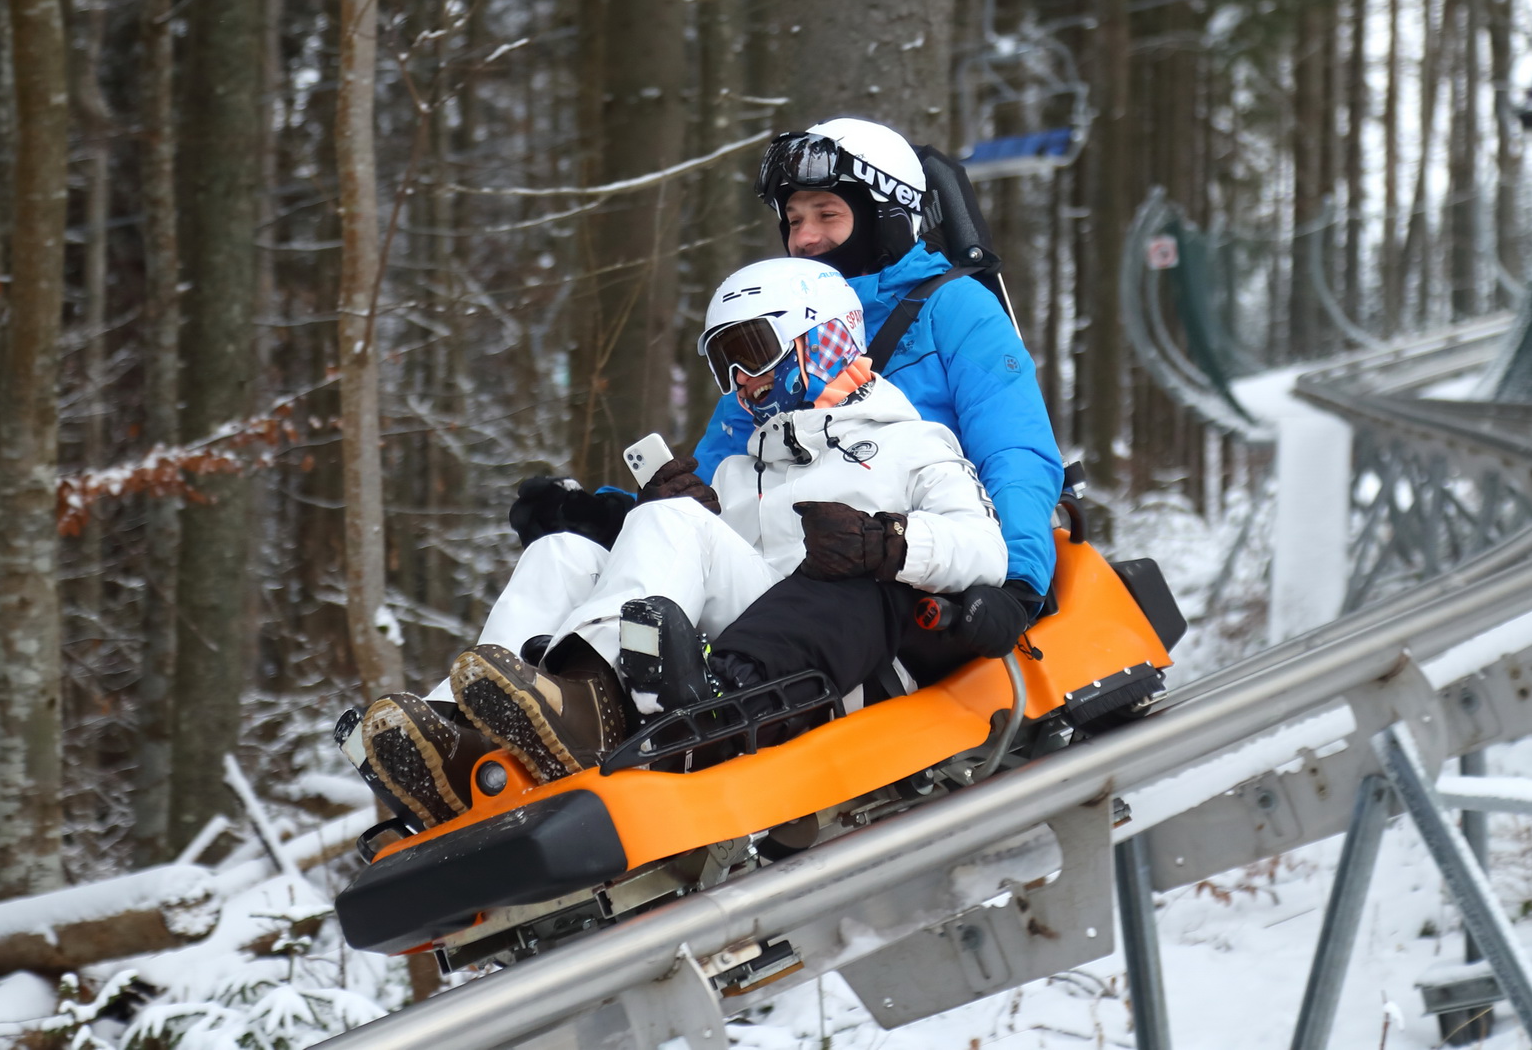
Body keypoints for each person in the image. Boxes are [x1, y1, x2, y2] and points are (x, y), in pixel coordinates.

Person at [340, 258, 1016, 829]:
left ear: (822, 339)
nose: (741, 381)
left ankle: (592, 705)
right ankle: (465, 739)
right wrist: (692, 520)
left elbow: (985, 548)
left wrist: (888, 542)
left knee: (670, 522)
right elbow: (723, 574)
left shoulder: (911, 442)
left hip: (829, 677)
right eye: (725, 363)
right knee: (563, 552)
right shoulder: (737, 467)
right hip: (732, 659)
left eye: (750, 351)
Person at [691, 118, 1065, 617]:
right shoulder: (784, 328)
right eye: (795, 220)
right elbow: (719, 467)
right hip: (787, 571)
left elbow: (1014, 451)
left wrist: (1016, 580)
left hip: (913, 569)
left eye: (827, 215)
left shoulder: (953, 310)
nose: (805, 237)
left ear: (883, 217)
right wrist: (621, 511)